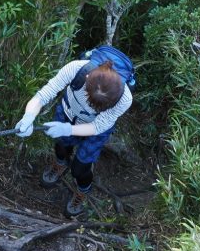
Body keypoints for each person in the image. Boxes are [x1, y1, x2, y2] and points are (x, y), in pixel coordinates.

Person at [15, 50, 133, 217]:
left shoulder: (124, 99)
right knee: (61, 148)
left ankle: (82, 190)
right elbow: (44, 95)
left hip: (95, 131)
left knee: (80, 168)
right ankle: (61, 164)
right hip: (68, 115)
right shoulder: (76, 69)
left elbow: (99, 125)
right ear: (87, 79)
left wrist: (68, 129)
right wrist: (28, 117)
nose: (92, 107)